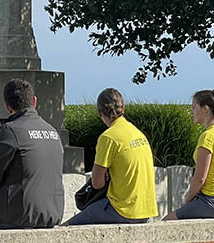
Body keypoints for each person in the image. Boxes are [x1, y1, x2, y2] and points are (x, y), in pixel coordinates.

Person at [0, 78, 64, 229]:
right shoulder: (52, 131)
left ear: (8, 107)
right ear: (34, 101)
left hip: (18, 214)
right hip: (53, 214)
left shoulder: (10, 131)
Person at [66, 88, 158, 225]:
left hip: (122, 209)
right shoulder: (137, 133)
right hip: (146, 210)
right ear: (123, 108)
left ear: (99, 113)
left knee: (66, 228)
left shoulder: (108, 137)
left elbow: (97, 183)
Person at [164, 89, 214, 220]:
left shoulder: (208, 137)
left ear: (205, 109)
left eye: (194, 108)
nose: (192, 112)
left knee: (167, 222)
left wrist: (186, 201)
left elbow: (200, 178)